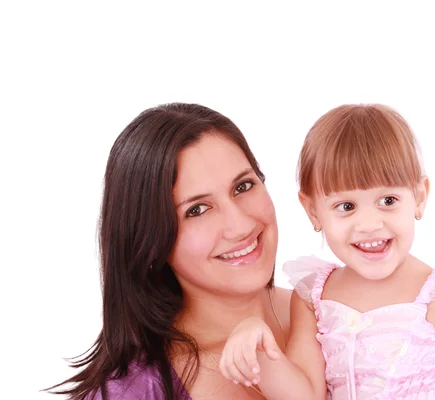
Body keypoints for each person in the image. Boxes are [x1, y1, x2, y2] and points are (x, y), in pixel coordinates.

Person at [219, 104, 435, 399]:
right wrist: (259, 346)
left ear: (419, 197)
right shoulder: (313, 298)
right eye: (346, 206)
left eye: (388, 201)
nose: (368, 223)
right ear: (313, 211)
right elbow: (304, 394)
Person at [47, 103, 291, 399]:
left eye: (243, 186)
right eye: (197, 210)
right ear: (150, 240)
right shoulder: (135, 390)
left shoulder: (334, 309)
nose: (239, 226)